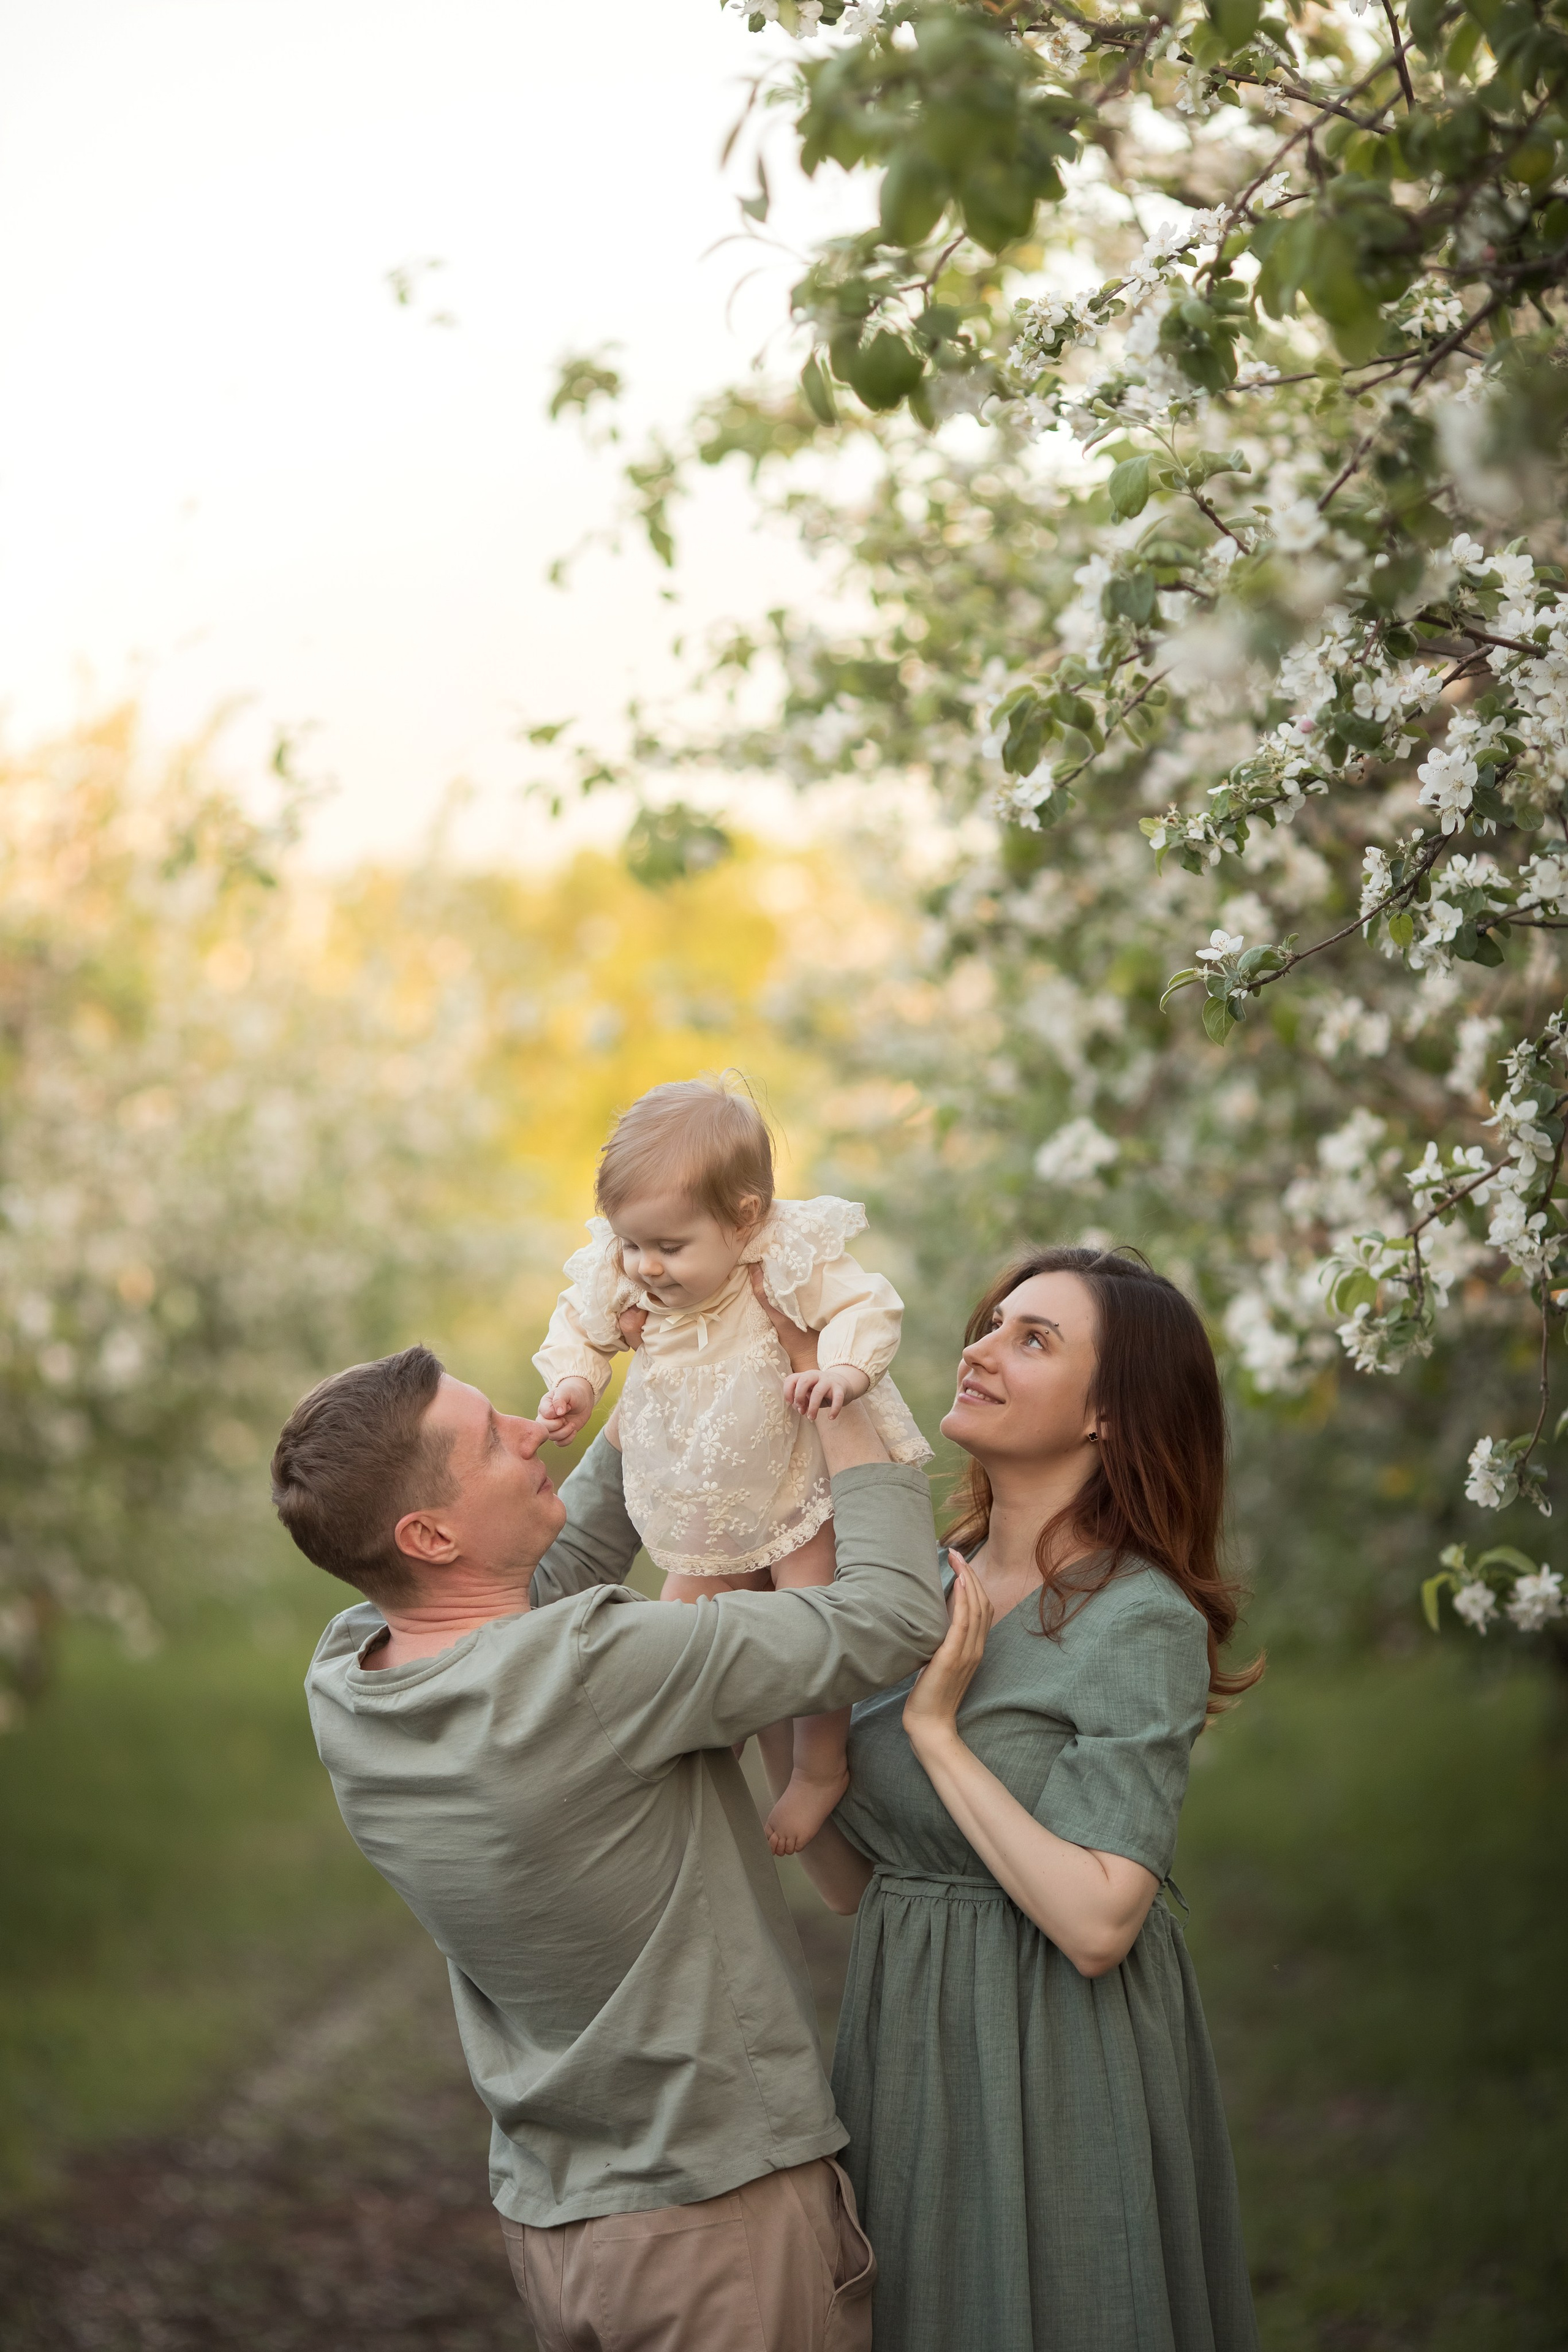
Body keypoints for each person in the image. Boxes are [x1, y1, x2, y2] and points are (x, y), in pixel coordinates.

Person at [271, 1327, 946, 2352]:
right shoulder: (597, 1669)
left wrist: (679, 1366)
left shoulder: (349, 1681)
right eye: (492, 1442)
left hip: (561, 2226)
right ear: (429, 1538)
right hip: (721, 2228)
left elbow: (534, 1586)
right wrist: (849, 1391)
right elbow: (891, 1616)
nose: (525, 1431)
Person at [779, 1245, 1264, 2352]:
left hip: (1057, 2049)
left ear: (1110, 1413)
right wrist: (778, 1693)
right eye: (991, 1323)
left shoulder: (1139, 1620)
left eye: (1031, 1338)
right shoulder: (920, 1584)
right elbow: (861, 1880)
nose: (982, 1349)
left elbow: (1101, 1922)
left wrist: (938, 1732)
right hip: (906, 2033)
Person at [532, 1076, 931, 1853]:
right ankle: (687, 1790)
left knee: (817, 1618)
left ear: (743, 1217)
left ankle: (819, 1768)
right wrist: (576, 1381)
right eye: (632, 1244)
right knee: (681, 1635)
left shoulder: (783, 1252)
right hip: (703, 1488)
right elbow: (579, 1321)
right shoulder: (630, 1264)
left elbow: (866, 1304)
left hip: (795, 1469)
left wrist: (842, 1370)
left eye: (669, 1247)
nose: (645, 1266)